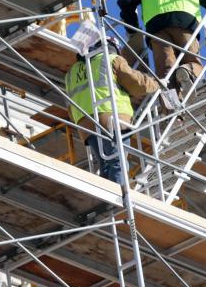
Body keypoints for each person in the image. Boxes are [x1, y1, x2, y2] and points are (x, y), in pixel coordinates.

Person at [64, 32, 159, 182]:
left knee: (105, 164)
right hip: (112, 119)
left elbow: (70, 107)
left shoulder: (71, 72)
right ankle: (120, 198)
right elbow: (138, 84)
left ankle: (107, 198)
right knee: (118, 161)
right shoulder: (111, 59)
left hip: (86, 125)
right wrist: (157, 83)